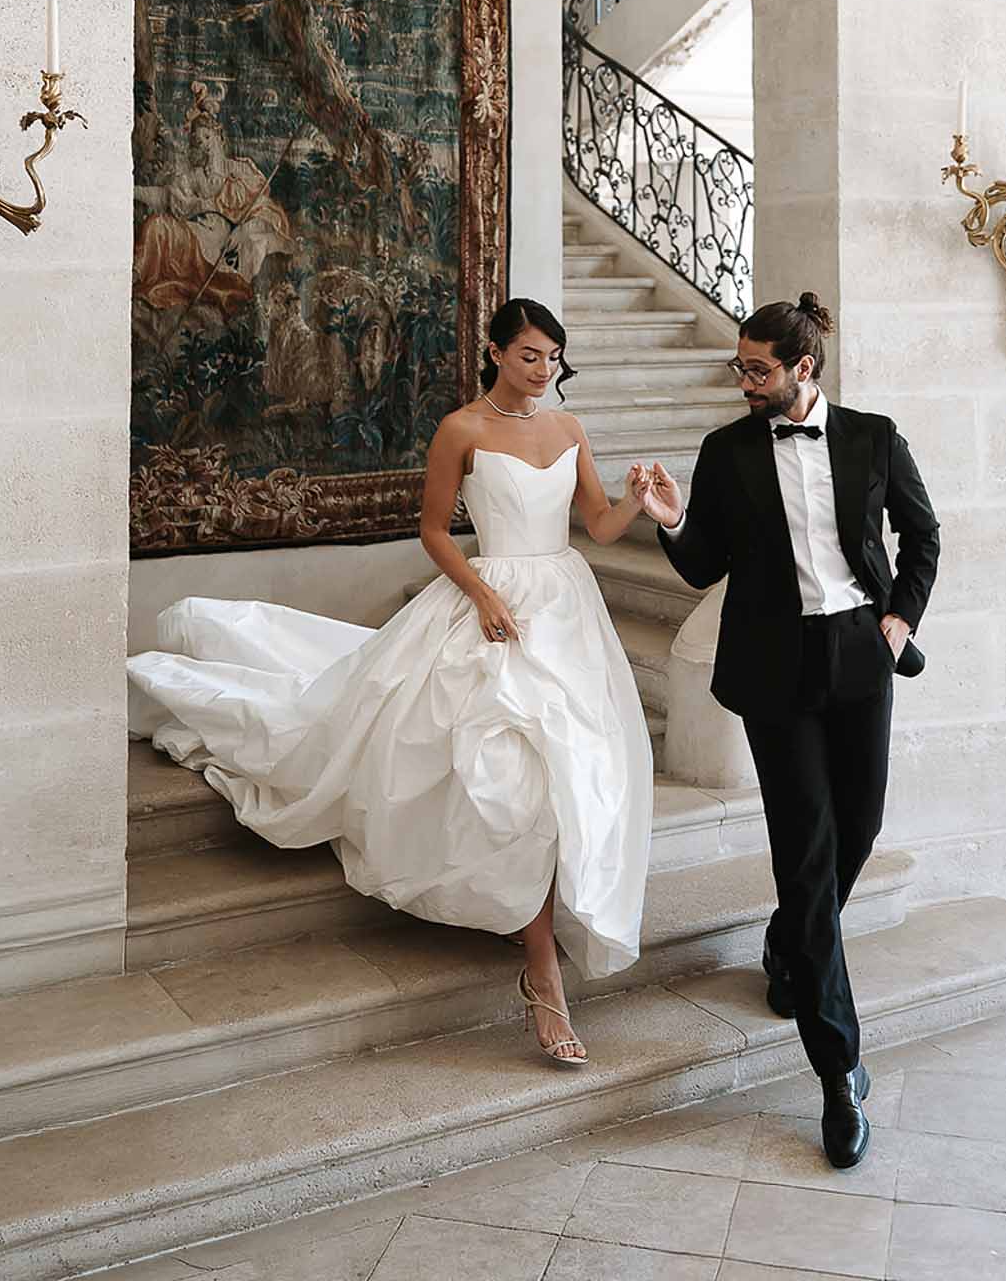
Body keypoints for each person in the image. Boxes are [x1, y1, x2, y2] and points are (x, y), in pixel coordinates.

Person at [129, 298, 656, 1067]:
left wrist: (641, 499)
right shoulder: (462, 429)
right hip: (489, 603)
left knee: (573, 769)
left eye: (554, 358)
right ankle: (543, 971)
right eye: (531, 355)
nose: (544, 371)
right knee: (507, 767)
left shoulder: (568, 429)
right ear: (497, 352)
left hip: (567, 610)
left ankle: (531, 920)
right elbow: (435, 530)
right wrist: (482, 596)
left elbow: (600, 523)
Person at [634, 292, 939, 1167]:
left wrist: (899, 622)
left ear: (803, 369)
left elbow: (922, 539)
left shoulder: (874, 437)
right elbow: (702, 565)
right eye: (740, 366)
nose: (743, 381)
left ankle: (788, 944)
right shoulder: (726, 452)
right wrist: (672, 519)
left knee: (861, 828)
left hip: (858, 653)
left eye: (757, 369)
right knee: (804, 856)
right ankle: (837, 1073)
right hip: (775, 669)